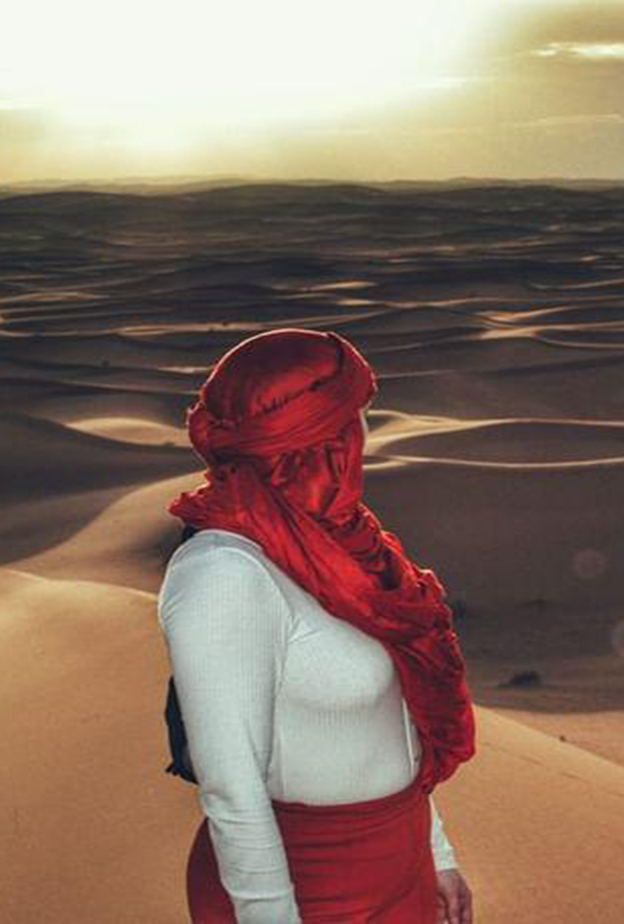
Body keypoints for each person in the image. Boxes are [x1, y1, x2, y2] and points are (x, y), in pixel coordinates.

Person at [157, 328, 478, 923]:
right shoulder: (225, 572)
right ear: (318, 443)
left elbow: (393, 718)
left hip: (398, 869)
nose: (361, 441)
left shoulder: (346, 547)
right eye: (351, 423)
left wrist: (435, 853)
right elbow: (232, 790)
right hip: (307, 889)